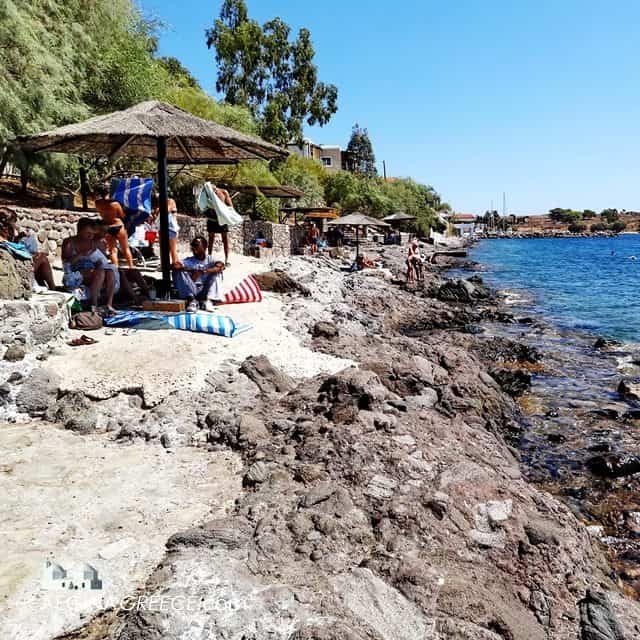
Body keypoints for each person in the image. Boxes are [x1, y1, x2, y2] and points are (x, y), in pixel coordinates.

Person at [62, 218, 117, 312]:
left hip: (91, 271)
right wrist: (81, 255)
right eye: (88, 233)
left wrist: (98, 262)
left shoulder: (92, 242)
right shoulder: (69, 242)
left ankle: (109, 304)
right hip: (75, 273)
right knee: (100, 273)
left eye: (92, 234)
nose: (90, 236)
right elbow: (66, 264)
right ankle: (94, 304)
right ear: (80, 231)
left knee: (110, 272)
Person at [0, 209, 56, 291]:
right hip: (14, 271)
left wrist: (17, 239)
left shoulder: (5, 236)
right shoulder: (3, 237)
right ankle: (52, 288)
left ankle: (42, 285)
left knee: (37, 256)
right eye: (14, 222)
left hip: (14, 266)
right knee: (42, 257)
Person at [172, 236, 225, 312]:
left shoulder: (211, 259)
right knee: (178, 272)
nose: (193, 248)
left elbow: (221, 266)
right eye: (192, 246)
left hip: (205, 291)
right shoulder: (189, 260)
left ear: (204, 247)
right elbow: (175, 266)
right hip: (192, 290)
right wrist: (191, 270)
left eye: (196, 245)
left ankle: (207, 301)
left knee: (217, 273)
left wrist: (203, 271)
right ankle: (192, 301)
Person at [94, 186, 134, 268]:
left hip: (107, 227)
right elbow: (122, 215)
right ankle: (131, 267)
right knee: (125, 248)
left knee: (112, 250)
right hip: (118, 225)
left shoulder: (97, 203)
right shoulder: (115, 204)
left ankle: (115, 268)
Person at [206, 185, 234, 266]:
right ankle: (209, 258)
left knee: (225, 240)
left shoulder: (224, 192)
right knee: (211, 239)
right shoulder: (207, 194)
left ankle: (227, 260)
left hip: (222, 220)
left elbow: (231, 206)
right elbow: (204, 206)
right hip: (212, 219)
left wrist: (223, 208)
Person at [150, 192, 180, 266]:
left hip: (171, 228)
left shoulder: (170, 201)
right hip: (162, 228)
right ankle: (164, 265)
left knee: (173, 249)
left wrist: (158, 210)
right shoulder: (159, 206)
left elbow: (166, 210)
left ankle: (175, 264)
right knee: (163, 249)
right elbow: (155, 218)